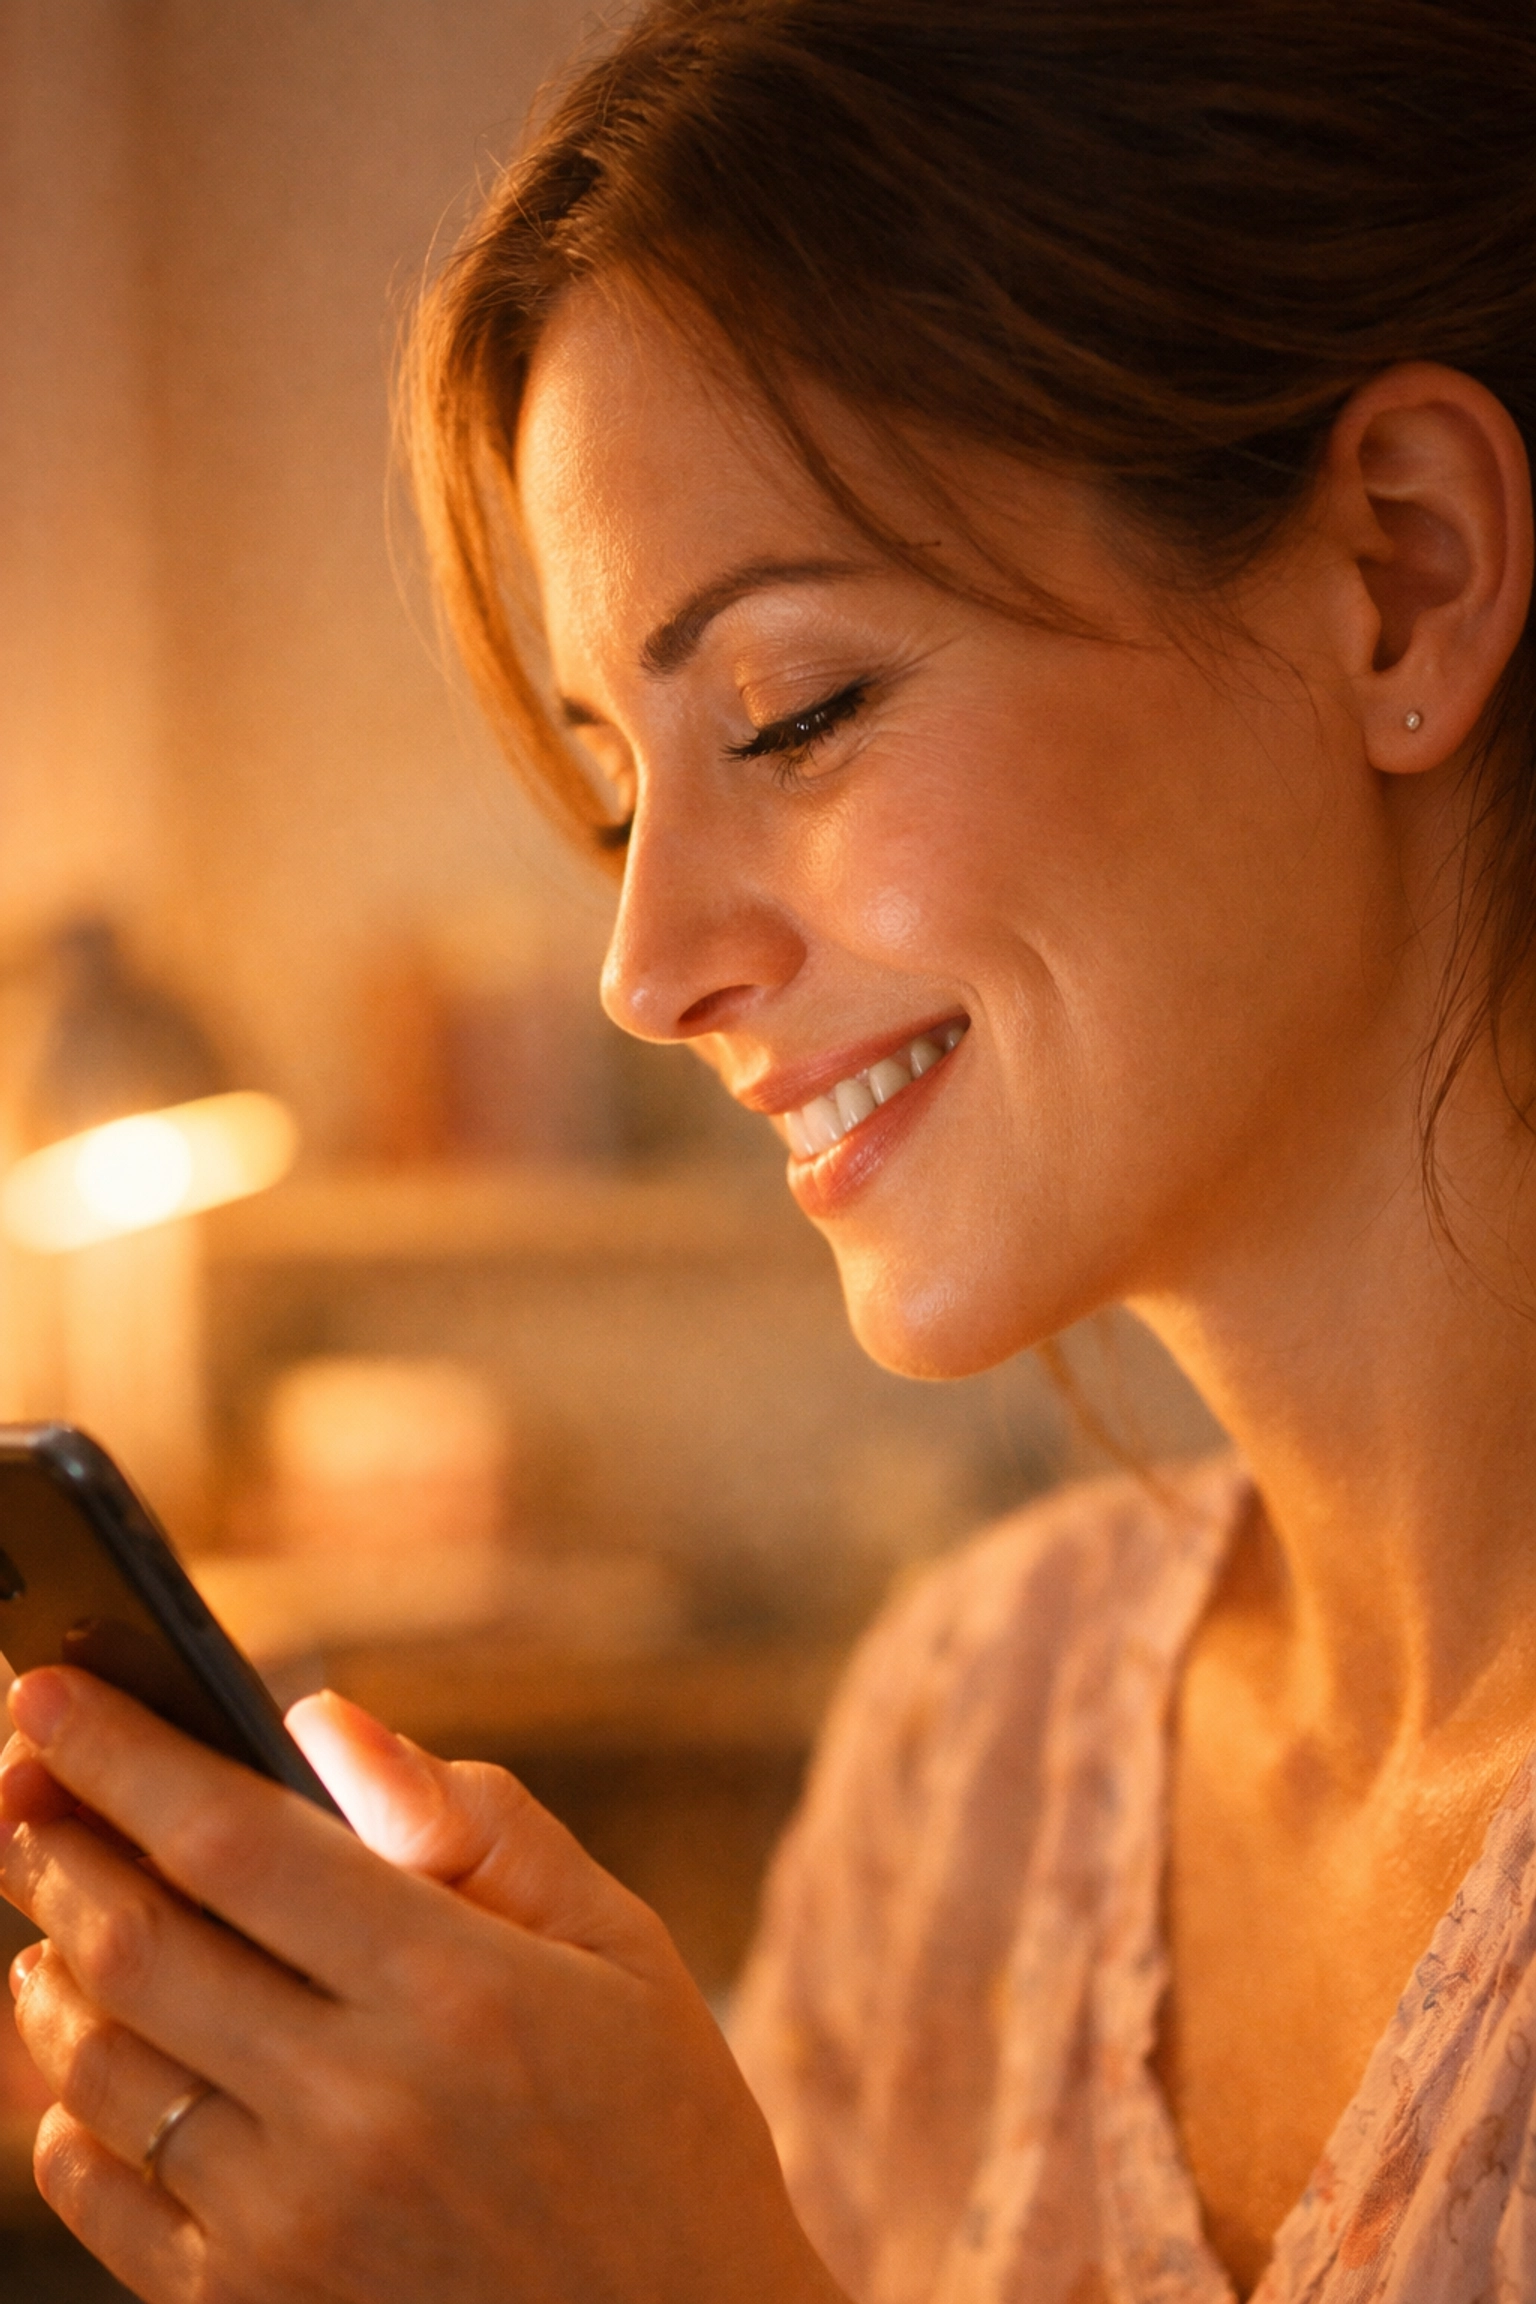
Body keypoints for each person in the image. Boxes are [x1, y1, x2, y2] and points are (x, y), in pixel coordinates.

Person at [4, 1, 1536, 2296]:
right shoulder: (975, 1752)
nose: (646, 962)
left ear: (1398, 575)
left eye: (793, 713)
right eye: (620, 788)